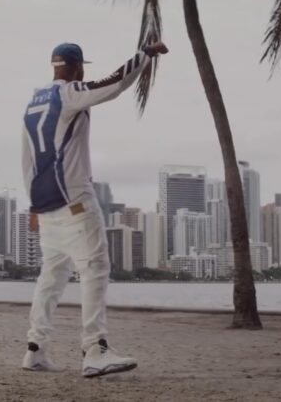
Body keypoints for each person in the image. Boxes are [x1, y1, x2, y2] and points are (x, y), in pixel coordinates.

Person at [20, 41, 169, 378]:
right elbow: (113, 84)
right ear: (77, 68)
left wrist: (34, 204)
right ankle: (95, 349)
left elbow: (27, 158)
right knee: (95, 269)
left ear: (53, 65)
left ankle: (35, 349)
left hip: (46, 206)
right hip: (75, 203)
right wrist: (145, 55)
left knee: (51, 278)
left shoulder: (33, 103)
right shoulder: (70, 93)